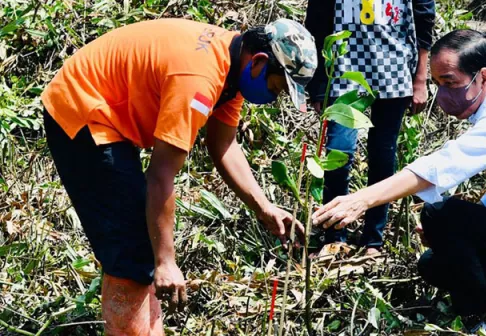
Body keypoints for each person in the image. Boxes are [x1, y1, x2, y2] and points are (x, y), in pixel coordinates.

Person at [311, 29, 486, 335]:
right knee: (434, 263)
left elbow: (441, 165)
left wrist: (363, 199)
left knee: (438, 212)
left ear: (484, 78)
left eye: (449, 82)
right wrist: (455, 232)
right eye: (437, 84)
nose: (443, 94)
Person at [42, 18, 317, 335]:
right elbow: (160, 175)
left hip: (108, 113)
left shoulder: (233, 65)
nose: (273, 97)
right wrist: (166, 261)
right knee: (131, 254)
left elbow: (223, 143)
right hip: (83, 108)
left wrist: (264, 207)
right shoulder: (199, 79)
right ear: (259, 62)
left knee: (142, 242)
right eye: (275, 88)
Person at [304, 0, 436, 255]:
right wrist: (318, 83)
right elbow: (317, 13)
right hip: (343, 67)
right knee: (338, 152)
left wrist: (421, 78)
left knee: (383, 154)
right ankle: (334, 235)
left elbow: (423, 13)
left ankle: (372, 240)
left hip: (396, 67)